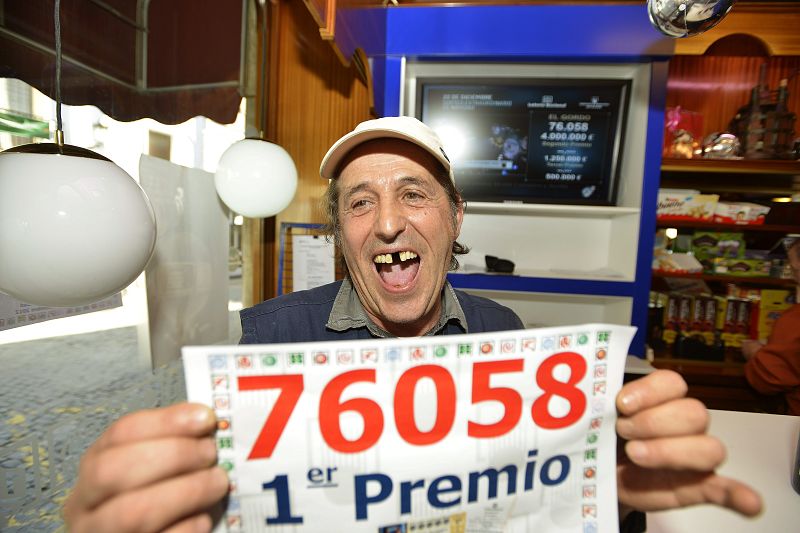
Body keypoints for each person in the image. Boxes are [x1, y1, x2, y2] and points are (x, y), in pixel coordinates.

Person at [63, 117, 762, 532]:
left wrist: (606, 494)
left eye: (413, 194)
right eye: (360, 203)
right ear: (340, 233)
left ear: (455, 218)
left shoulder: (506, 335)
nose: (389, 221)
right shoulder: (270, 339)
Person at [742, 238, 800, 415]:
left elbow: (769, 378)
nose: (791, 272)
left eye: (790, 265)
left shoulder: (794, 320)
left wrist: (753, 352)